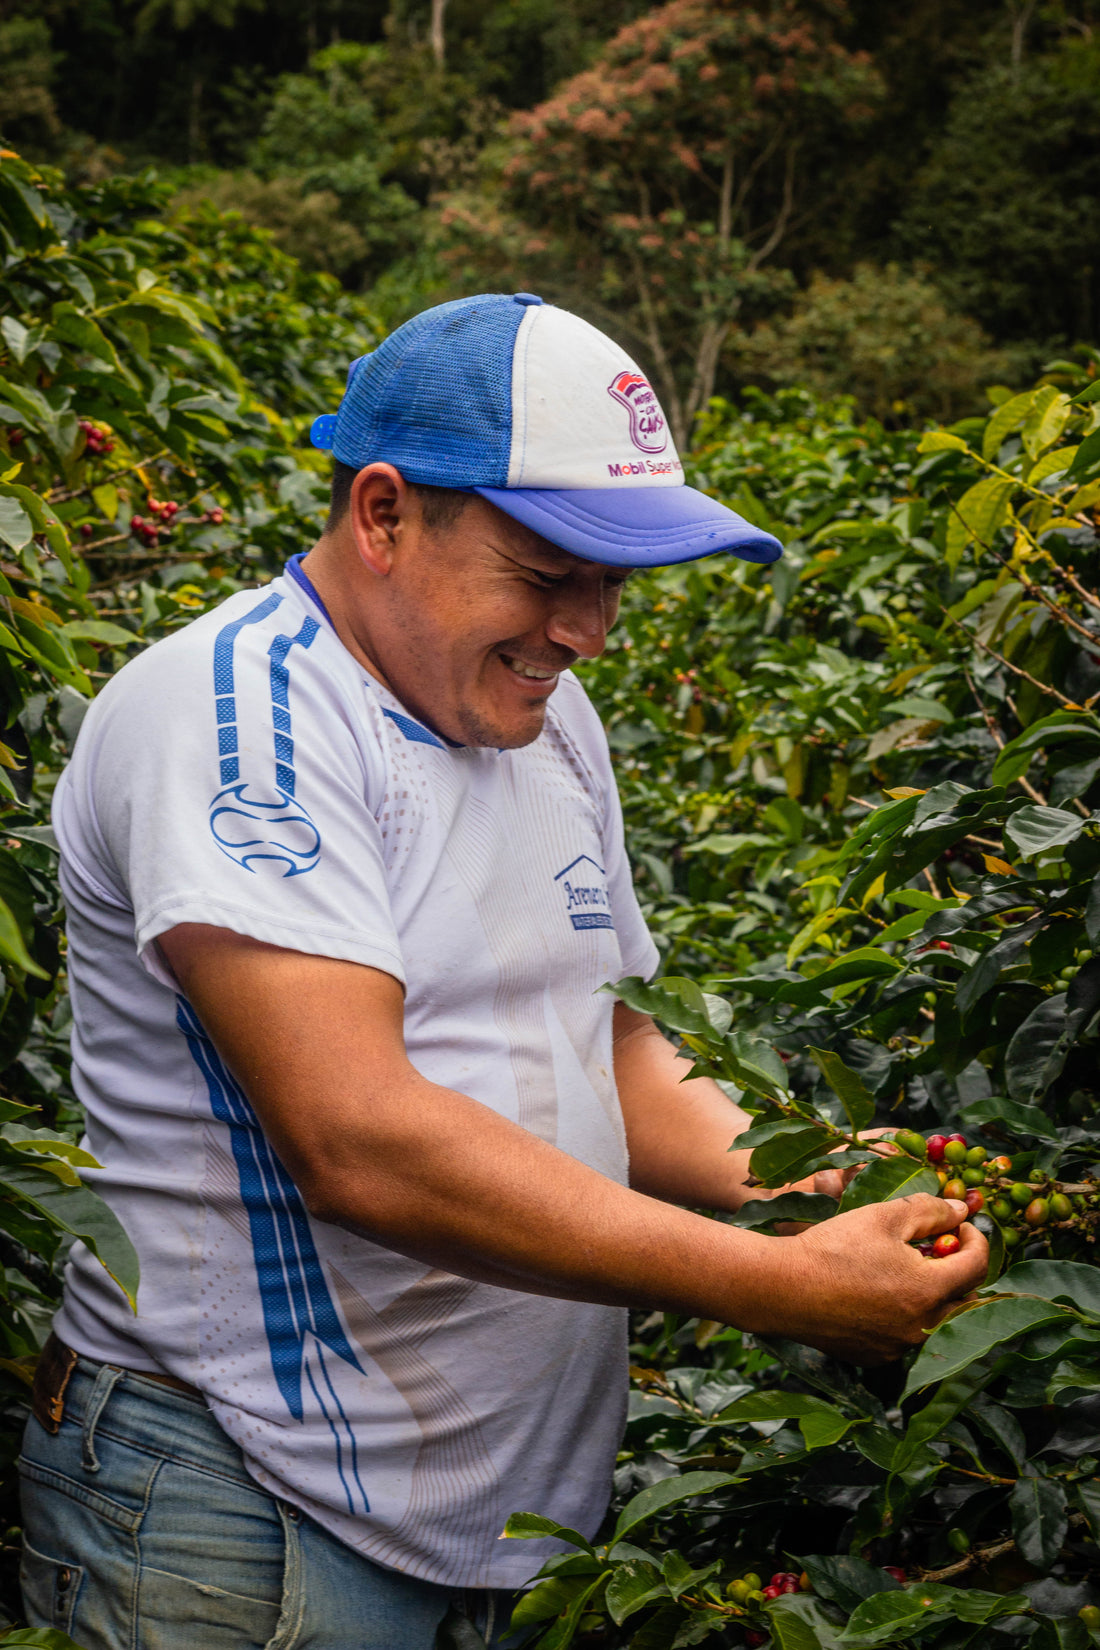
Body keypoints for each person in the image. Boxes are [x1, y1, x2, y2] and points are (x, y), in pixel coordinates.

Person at [20, 293, 986, 1650]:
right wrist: (778, 1282)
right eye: (546, 574)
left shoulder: (544, 714)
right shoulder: (241, 718)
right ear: (381, 513)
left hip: (496, 1514)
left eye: (613, 583)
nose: (588, 630)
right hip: (245, 1501)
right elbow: (358, 1137)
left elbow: (610, 1045)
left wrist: (821, 1175)